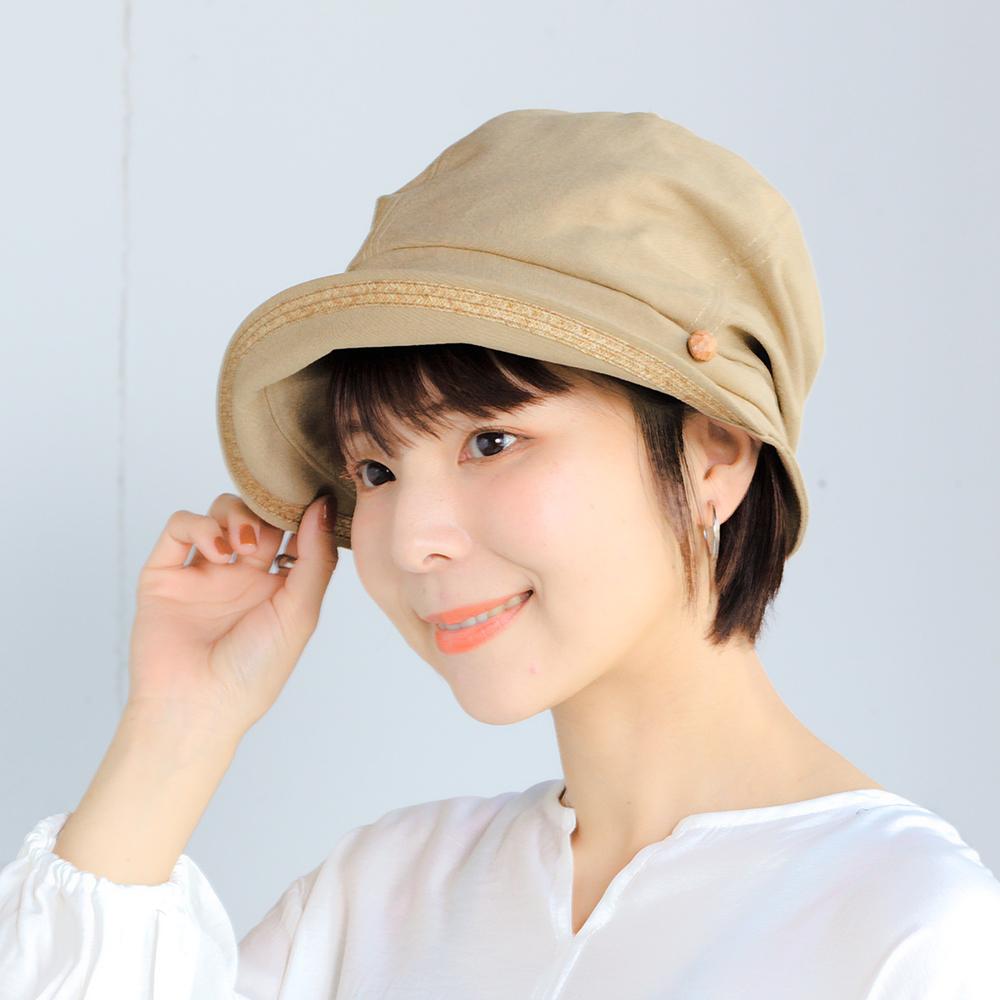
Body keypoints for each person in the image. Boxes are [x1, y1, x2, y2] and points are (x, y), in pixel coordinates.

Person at [2, 109, 999, 998]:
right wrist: (179, 724)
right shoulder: (381, 895)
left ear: (716, 453)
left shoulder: (904, 930)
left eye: (491, 441)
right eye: (375, 470)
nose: (412, 540)